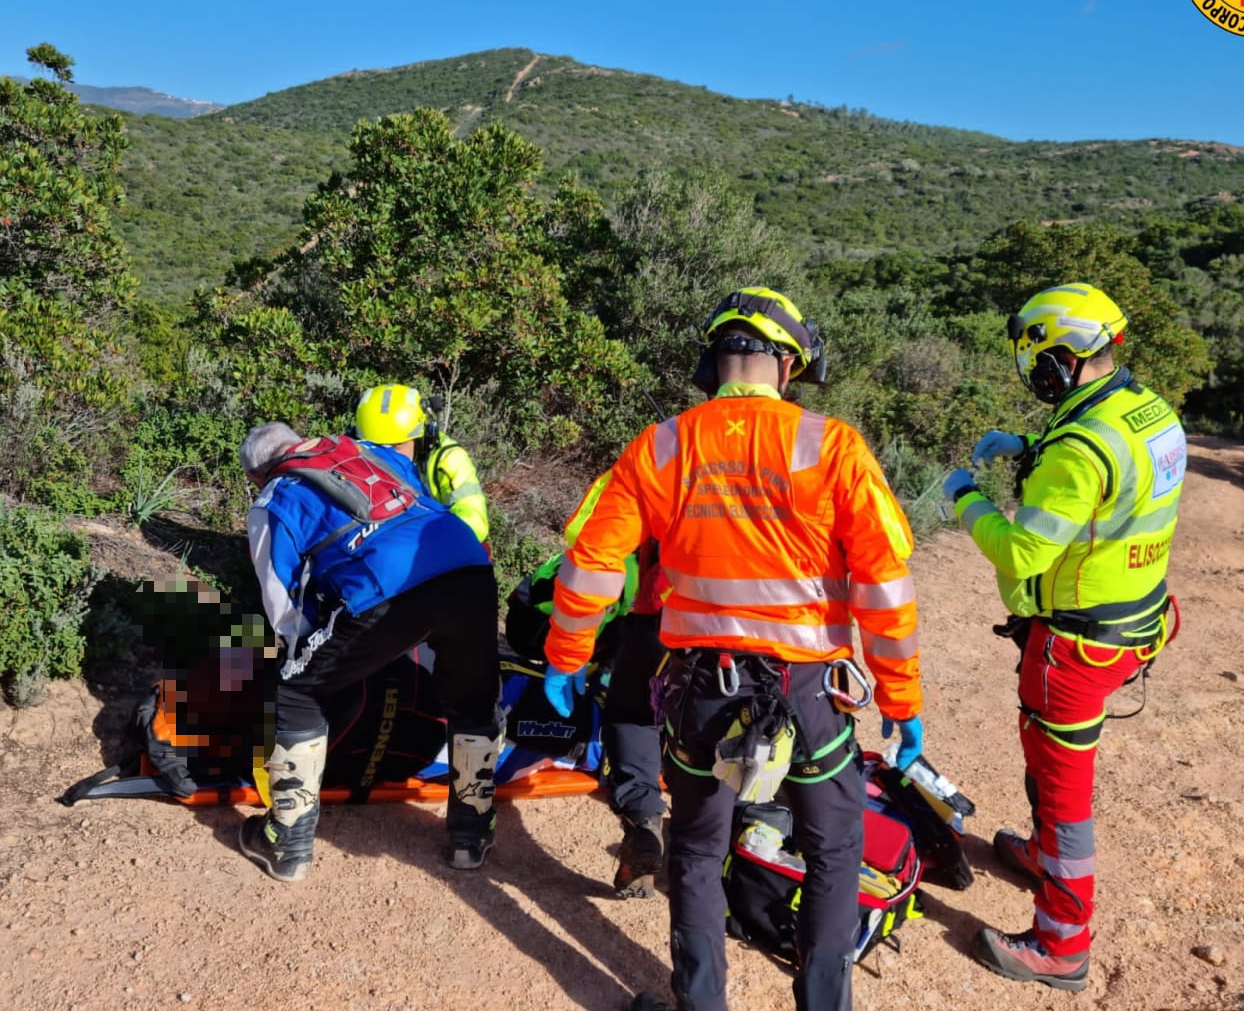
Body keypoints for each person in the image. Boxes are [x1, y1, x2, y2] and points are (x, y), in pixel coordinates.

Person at [545, 287, 924, 1011]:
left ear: (714, 360)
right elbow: (885, 588)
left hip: (702, 693)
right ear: (787, 364)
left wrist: (567, 657)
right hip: (809, 693)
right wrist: (902, 702)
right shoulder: (834, 445)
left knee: (694, 851)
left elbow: (591, 561)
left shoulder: (661, 445)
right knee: (836, 851)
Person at [943, 283, 1185, 992]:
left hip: (1078, 645)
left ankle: (1062, 943)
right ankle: (1044, 853)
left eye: (1039, 363)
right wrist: (1025, 447)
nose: (1035, 377)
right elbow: (1110, 473)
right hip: (1138, 619)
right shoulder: (1146, 410)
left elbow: (1022, 553)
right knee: (1051, 771)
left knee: (1064, 786)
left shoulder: (1082, 446)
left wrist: (967, 495)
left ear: (1061, 358)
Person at [236, 422, 503, 880]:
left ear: (255, 475)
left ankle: (288, 840)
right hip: (469, 565)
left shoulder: (274, 496)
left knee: (297, 690)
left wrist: (310, 651)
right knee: (473, 699)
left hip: (389, 586)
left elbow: (282, 605)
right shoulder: (368, 451)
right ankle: (470, 835)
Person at [518, 538, 670, 897]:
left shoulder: (657, 490)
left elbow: (595, 560)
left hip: (655, 611)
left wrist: (571, 652)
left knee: (634, 717)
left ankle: (644, 816)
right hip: (753, 631)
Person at [355, 384, 490, 544]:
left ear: (422, 436)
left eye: (397, 446)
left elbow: (475, 523)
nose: (388, 455)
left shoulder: (448, 460)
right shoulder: (352, 454)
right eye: (376, 447)